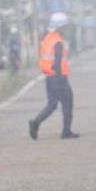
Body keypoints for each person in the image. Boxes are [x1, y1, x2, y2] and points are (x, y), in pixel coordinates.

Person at [29, 12, 79, 140]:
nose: (64, 29)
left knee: (52, 104)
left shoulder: (47, 40)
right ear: (59, 27)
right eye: (63, 27)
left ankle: (35, 123)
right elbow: (57, 62)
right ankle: (66, 131)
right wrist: (60, 78)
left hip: (49, 77)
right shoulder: (58, 42)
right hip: (58, 77)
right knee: (68, 101)